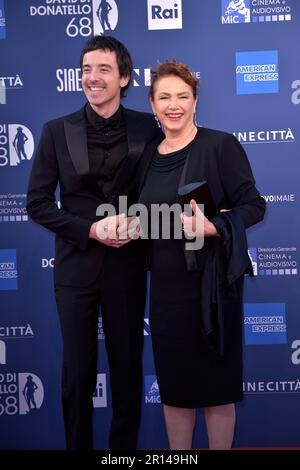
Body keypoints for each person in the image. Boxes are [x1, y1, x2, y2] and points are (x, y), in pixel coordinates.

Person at [26, 35, 161, 450]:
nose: (92, 78)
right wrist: (89, 230)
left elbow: (160, 189)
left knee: (125, 371)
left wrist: (138, 224)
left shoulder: (146, 127)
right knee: (77, 376)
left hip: (127, 266)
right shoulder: (55, 131)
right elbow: (36, 203)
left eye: (103, 69)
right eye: (87, 69)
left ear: (124, 77)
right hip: (76, 268)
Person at [138, 61, 266, 450]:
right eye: (164, 97)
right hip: (165, 290)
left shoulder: (219, 145)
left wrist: (214, 226)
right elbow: (146, 215)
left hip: (213, 288)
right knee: (175, 387)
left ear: (195, 101)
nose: (173, 105)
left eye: (182, 96)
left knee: (216, 388)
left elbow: (254, 205)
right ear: (153, 104)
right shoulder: (146, 156)